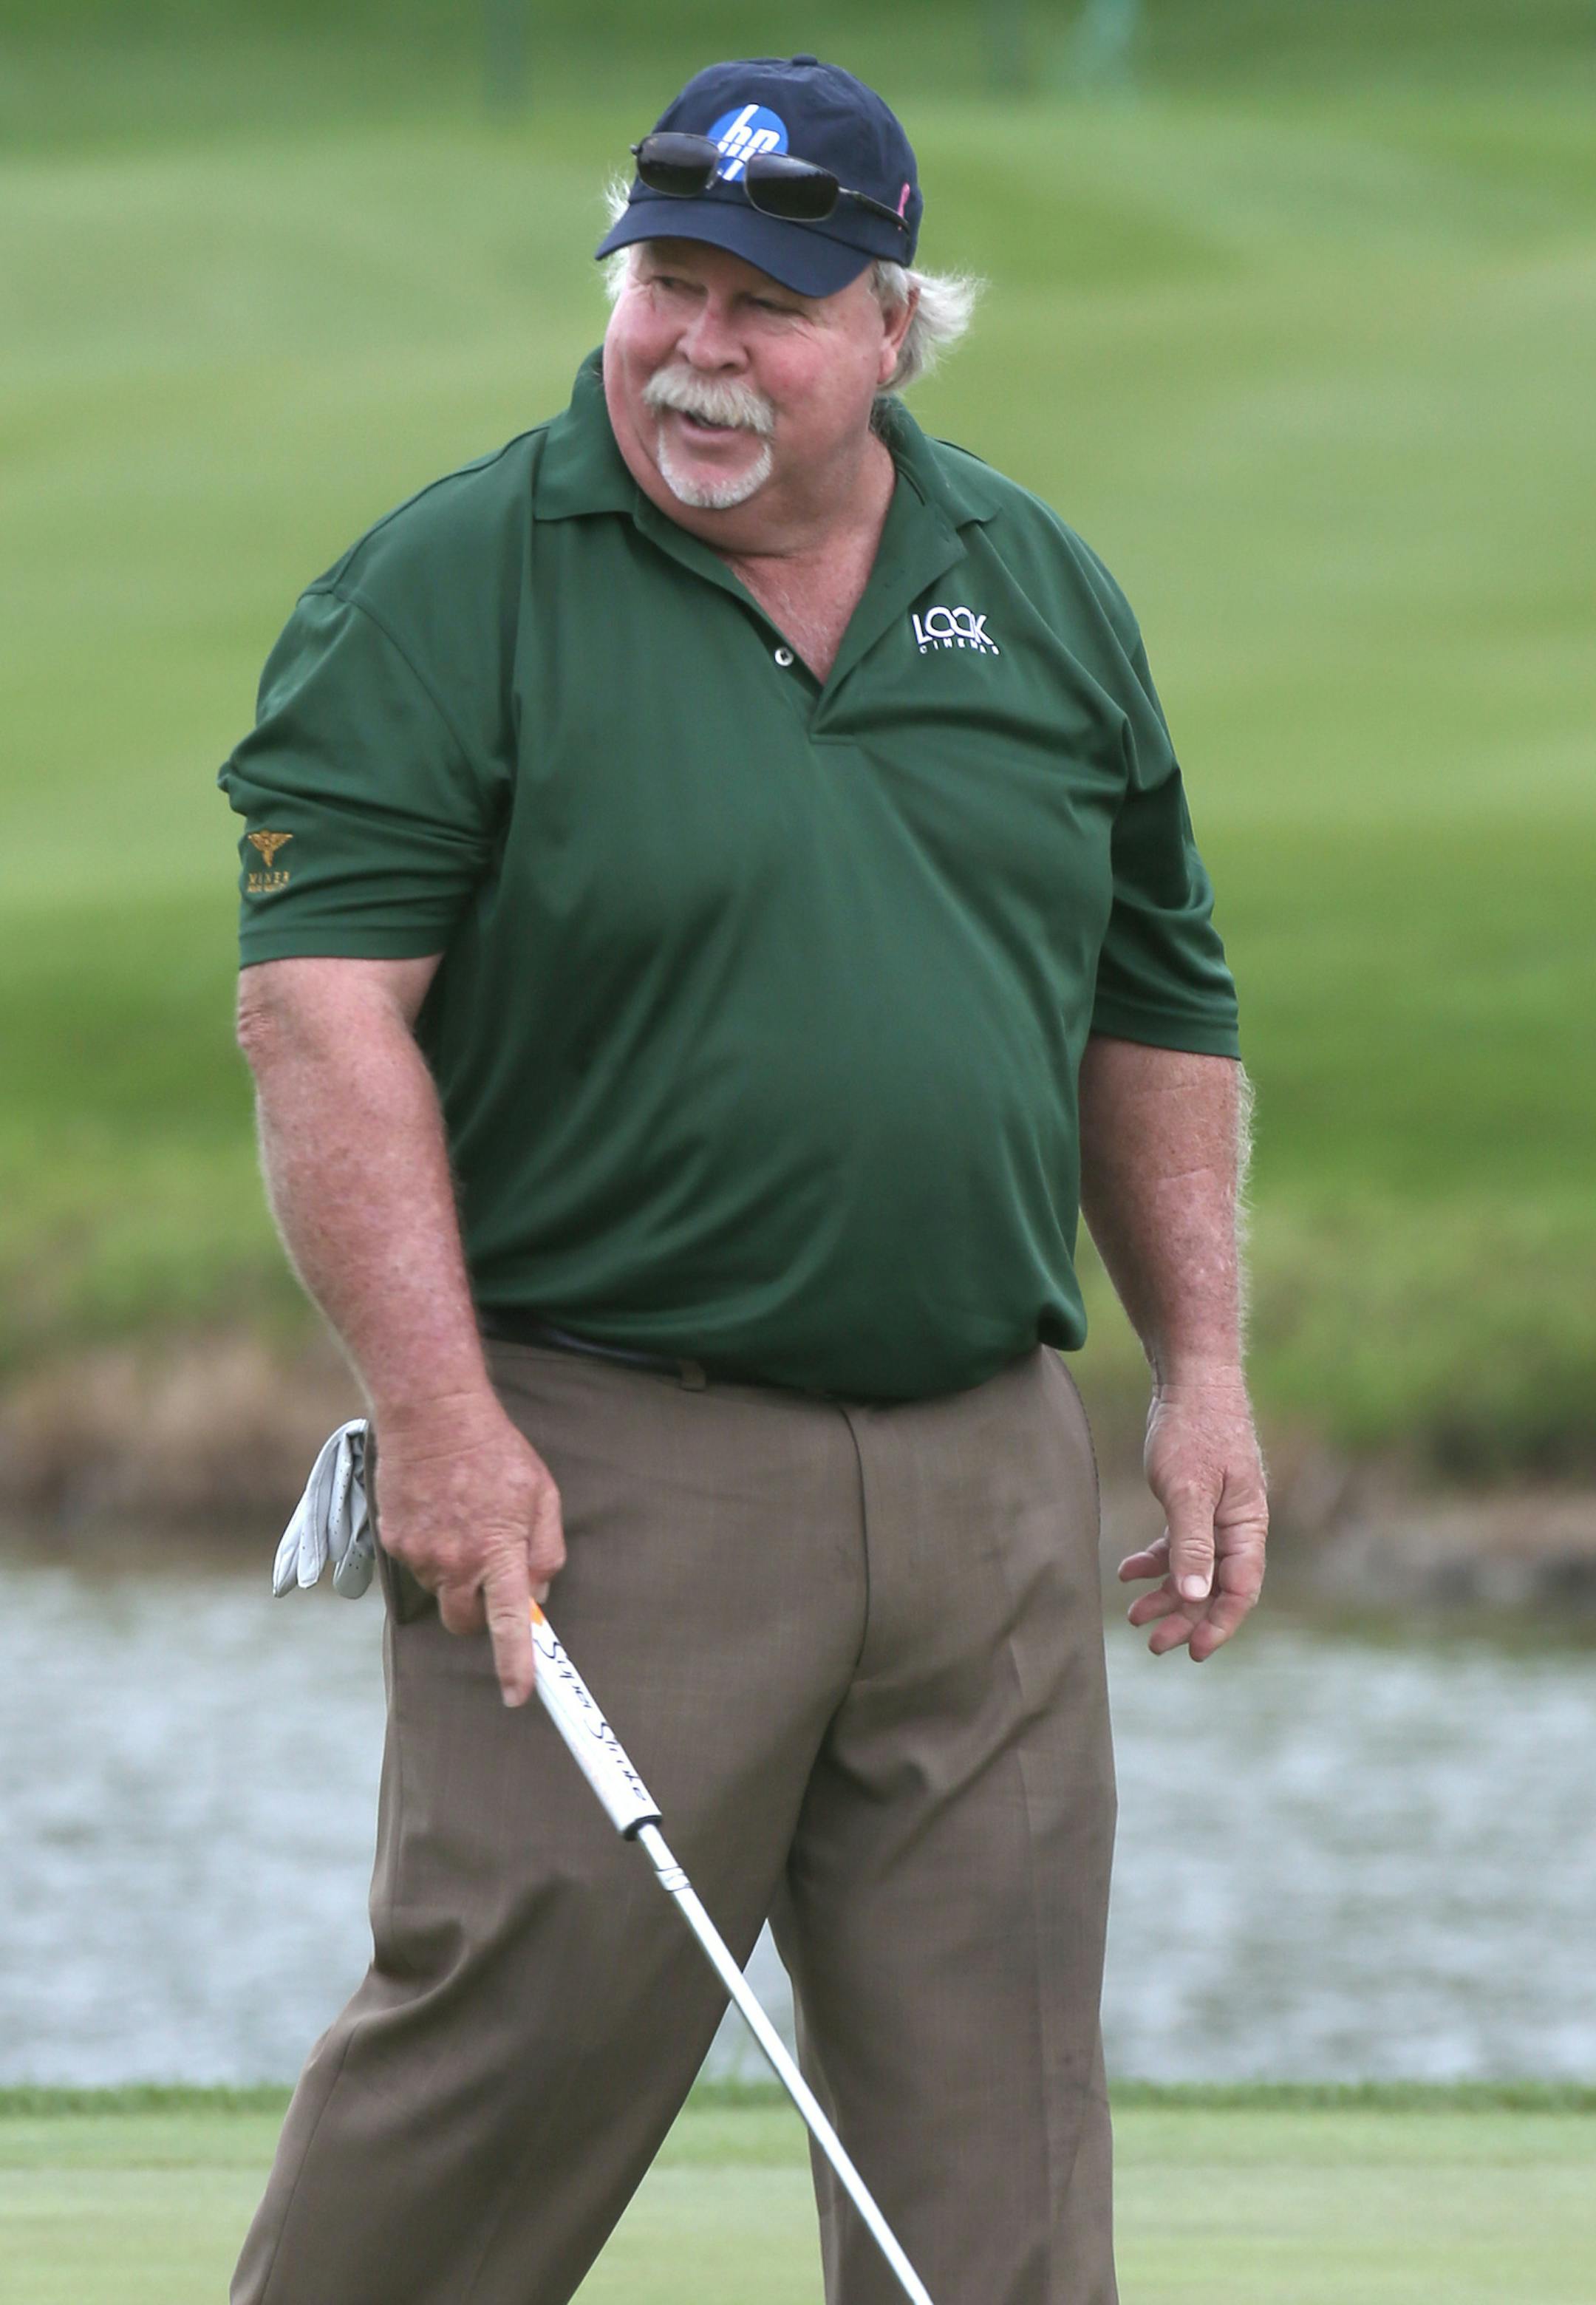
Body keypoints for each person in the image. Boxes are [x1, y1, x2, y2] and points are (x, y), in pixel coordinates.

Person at [219, 52, 1267, 2305]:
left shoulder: (1034, 590)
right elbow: (319, 1016)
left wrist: (1203, 1369)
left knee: (997, 2138)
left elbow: (1158, 991)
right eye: (663, 285)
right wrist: (437, 1419)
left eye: (766, 305)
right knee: (506, 2057)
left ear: (894, 327)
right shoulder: (447, 590)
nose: (698, 348)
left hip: (987, 1471)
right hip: (608, 1466)